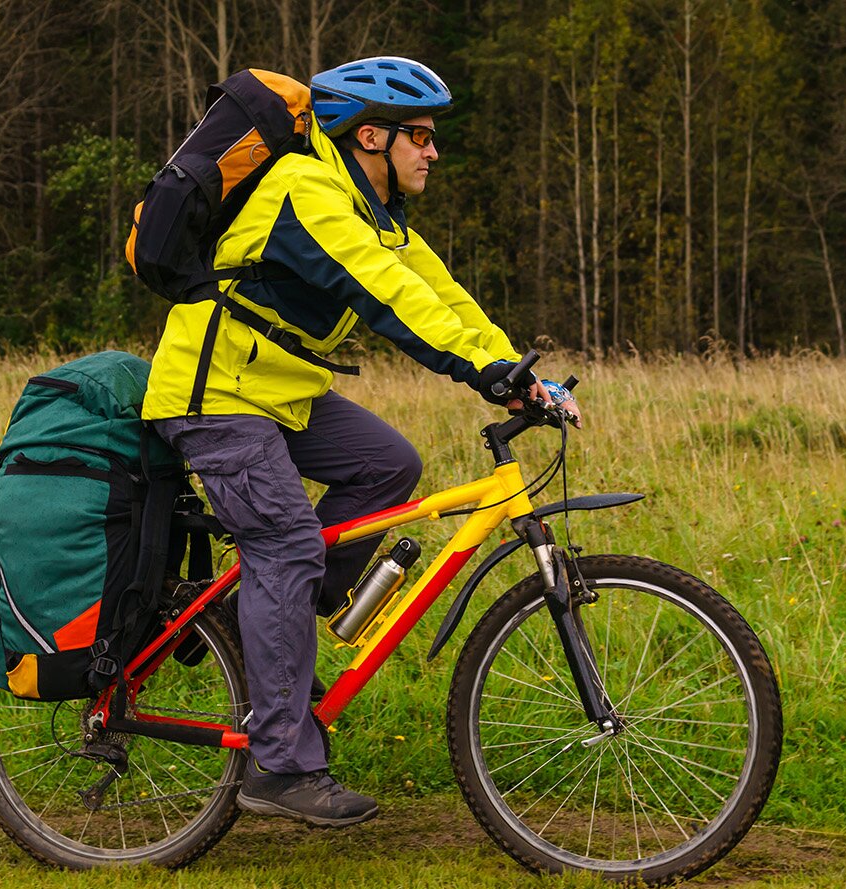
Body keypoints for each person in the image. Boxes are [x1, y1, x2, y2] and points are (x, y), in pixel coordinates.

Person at [142, 56, 580, 827]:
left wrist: (517, 372)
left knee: (387, 464)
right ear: (370, 136)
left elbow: (444, 297)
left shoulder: (377, 215)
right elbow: (388, 295)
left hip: (278, 390)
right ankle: (279, 768)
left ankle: (260, 628)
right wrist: (483, 375)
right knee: (286, 546)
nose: (433, 152)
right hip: (216, 395)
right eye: (421, 136)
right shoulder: (307, 191)